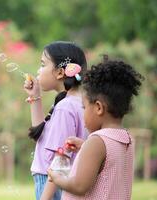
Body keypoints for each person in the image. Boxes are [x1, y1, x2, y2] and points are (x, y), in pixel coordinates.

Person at [47, 59, 143, 200]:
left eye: (84, 107)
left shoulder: (97, 141)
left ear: (98, 108)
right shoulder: (127, 138)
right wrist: (84, 146)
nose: (83, 113)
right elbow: (109, 162)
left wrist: (57, 177)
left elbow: (79, 186)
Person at [23, 41, 88, 200]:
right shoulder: (78, 102)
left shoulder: (65, 108)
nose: (38, 70)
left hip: (51, 182)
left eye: (42, 64)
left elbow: (59, 159)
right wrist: (35, 97)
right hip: (63, 182)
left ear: (60, 73)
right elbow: (42, 135)